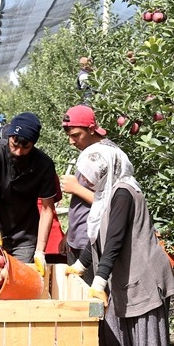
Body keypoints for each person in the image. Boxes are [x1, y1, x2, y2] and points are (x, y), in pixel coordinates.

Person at [66, 143, 174, 346]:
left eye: (91, 175)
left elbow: (113, 239)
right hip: (122, 277)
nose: (87, 181)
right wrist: (79, 266)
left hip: (142, 275)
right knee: (115, 336)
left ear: (105, 169)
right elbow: (98, 237)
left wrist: (99, 279)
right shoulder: (106, 194)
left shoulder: (124, 193)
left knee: (145, 340)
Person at [0, 112, 56, 271]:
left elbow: (47, 209)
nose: (18, 152)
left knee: (17, 284)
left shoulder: (44, 165)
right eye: (14, 145)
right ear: (9, 136)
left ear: (33, 143)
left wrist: (40, 251)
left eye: (25, 147)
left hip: (26, 238)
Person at [59, 104, 116, 282]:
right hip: (77, 240)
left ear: (91, 130)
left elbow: (113, 204)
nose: (71, 141)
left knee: (92, 303)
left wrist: (76, 188)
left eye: (76, 135)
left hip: (93, 243)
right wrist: (69, 234)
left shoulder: (106, 155)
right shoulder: (89, 153)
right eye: (69, 136)